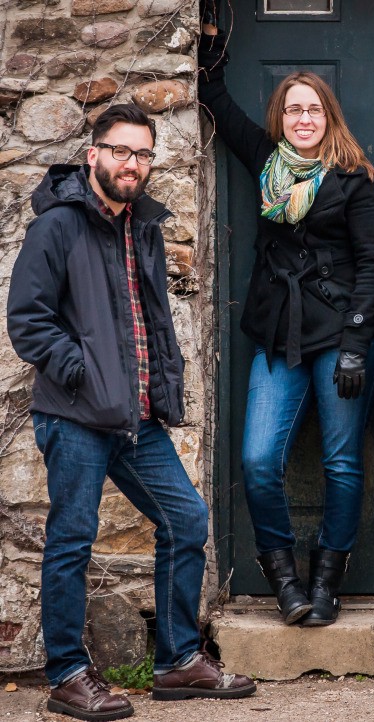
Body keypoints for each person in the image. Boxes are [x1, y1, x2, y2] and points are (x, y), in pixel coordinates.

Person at [6, 104, 256, 722]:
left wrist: (156, 390)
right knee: (71, 539)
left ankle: (176, 663)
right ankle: (66, 674)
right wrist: (83, 374)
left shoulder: (141, 226)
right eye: (121, 151)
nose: (133, 164)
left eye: (143, 154)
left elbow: (148, 323)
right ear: (93, 154)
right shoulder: (57, 227)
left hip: (134, 419)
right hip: (75, 416)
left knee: (186, 519)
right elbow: (28, 323)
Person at [198, 11, 374, 627]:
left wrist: (359, 343)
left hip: (342, 335)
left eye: (313, 110)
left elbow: (373, 263)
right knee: (259, 460)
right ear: (281, 118)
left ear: (328, 117)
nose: (302, 119)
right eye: (292, 110)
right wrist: (210, 47)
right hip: (279, 337)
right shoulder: (266, 163)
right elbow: (215, 100)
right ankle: (283, 576)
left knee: (340, 461)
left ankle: (327, 578)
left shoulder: (354, 180)